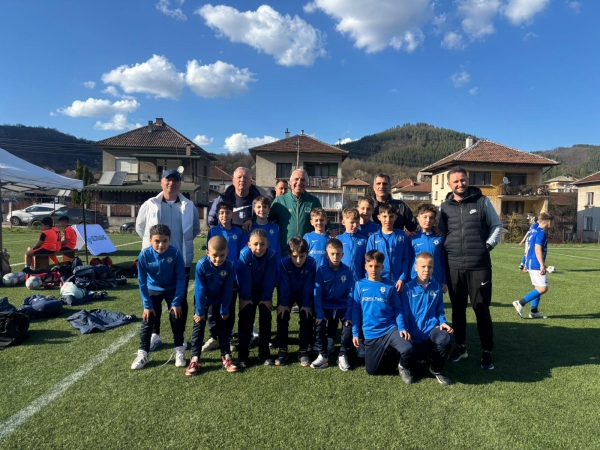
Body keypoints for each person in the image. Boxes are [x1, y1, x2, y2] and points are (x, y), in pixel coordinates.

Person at [438, 166, 502, 371]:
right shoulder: (444, 207)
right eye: (456, 181)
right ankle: (461, 347)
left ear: (468, 180)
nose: (460, 184)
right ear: (449, 184)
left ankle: (486, 351)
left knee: (481, 308)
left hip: (479, 265)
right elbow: (440, 233)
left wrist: (488, 246)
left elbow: (497, 226)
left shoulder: (482, 201)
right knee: (457, 310)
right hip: (454, 265)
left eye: (463, 180)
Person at [136, 169, 200, 353]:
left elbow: (195, 229)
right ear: (161, 182)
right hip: (156, 261)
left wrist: (179, 247)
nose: (171, 183)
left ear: (180, 183)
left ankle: (180, 337)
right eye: (168, 180)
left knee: (180, 301)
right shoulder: (150, 204)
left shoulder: (189, 205)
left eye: (175, 180)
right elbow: (140, 227)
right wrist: (155, 248)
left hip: (181, 261)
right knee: (154, 298)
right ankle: (155, 335)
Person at [352, 250, 414, 383]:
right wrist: (355, 333)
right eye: (370, 266)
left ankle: (403, 366)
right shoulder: (359, 285)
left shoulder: (390, 285)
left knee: (407, 348)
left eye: (377, 266)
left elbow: (397, 308)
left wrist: (402, 328)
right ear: (365, 266)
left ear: (382, 267)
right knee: (371, 371)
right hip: (371, 332)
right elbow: (356, 310)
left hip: (389, 329)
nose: (373, 269)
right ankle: (387, 352)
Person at [131, 224, 186, 370]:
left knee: (176, 316)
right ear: (150, 240)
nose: (161, 245)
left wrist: (176, 301)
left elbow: (181, 278)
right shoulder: (144, 254)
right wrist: (147, 305)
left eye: (165, 241)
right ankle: (143, 354)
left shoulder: (175, 253)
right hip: (153, 288)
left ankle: (179, 350)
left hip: (171, 288)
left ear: (169, 240)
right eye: (157, 241)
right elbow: (142, 281)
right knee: (148, 318)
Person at [186, 236, 238, 376]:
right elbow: (200, 290)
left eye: (222, 255)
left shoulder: (230, 266)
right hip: (204, 299)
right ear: (207, 253)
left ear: (227, 253)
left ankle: (226, 356)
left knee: (223, 326)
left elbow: (228, 289)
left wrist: (224, 309)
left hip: (220, 299)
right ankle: (195, 358)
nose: (218, 259)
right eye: (214, 255)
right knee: (199, 325)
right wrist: (200, 311)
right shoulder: (202, 265)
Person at [401, 252, 453, 385]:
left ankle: (436, 368)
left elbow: (440, 311)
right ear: (415, 267)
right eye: (423, 266)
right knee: (418, 371)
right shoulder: (408, 288)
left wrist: (443, 322)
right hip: (413, 333)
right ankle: (414, 361)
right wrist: (404, 329)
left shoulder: (436, 288)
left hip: (430, 330)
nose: (426, 270)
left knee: (445, 338)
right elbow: (404, 313)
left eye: (429, 267)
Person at [203, 201, 244, 353]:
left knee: (229, 307)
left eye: (227, 213)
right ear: (217, 215)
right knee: (212, 309)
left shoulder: (239, 232)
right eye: (221, 213)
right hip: (214, 277)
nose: (224, 215)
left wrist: (238, 276)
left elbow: (241, 255)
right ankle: (213, 336)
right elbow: (209, 255)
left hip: (231, 277)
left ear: (232, 215)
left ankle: (228, 336)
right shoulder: (213, 231)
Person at [236, 228, 278, 368]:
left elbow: (270, 277)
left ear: (268, 244)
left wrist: (266, 297)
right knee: (245, 320)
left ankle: (264, 353)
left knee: (266, 320)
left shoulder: (271, 255)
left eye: (262, 244)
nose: (259, 248)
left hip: (264, 291)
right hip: (247, 291)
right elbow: (244, 278)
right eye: (255, 244)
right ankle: (243, 354)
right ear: (249, 244)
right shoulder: (245, 254)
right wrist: (246, 297)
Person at [311, 239, 354, 371]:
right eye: (332, 254)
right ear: (326, 255)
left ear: (342, 255)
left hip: (342, 306)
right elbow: (317, 293)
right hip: (326, 306)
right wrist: (319, 313)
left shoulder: (347, 271)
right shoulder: (321, 271)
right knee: (319, 325)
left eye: (338, 254)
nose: (335, 257)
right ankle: (323, 355)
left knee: (348, 325)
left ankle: (342, 354)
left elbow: (351, 293)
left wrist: (348, 314)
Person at [275, 237, 316, 367]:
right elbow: (284, 284)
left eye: (302, 256)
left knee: (307, 317)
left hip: (304, 295)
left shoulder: (312, 263)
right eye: (295, 256)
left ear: (307, 254)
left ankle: (303, 351)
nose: (298, 260)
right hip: (288, 294)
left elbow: (309, 285)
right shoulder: (284, 263)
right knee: (282, 316)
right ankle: (282, 350)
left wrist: (307, 304)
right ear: (289, 254)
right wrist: (283, 303)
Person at [269, 169, 323, 254]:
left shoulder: (314, 201)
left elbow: (323, 220)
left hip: (306, 252)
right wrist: (251, 220)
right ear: (290, 182)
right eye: (296, 179)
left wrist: (330, 230)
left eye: (303, 180)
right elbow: (265, 217)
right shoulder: (280, 200)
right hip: (286, 250)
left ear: (307, 183)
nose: (299, 182)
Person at [513, 213, 553, 319]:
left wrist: (526, 263)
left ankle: (534, 311)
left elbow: (528, 248)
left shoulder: (533, 231)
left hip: (530, 262)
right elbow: (537, 249)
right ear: (548, 222)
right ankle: (520, 303)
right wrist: (542, 265)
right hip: (536, 263)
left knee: (538, 287)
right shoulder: (541, 233)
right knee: (543, 288)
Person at [366, 203, 410, 294]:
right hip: (379, 281)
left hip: (397, 282)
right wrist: (370, 281)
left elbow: (406, 259)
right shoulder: (373, 238)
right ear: (379, 217)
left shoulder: (402, 236)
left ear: (396, 217)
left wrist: (402, 278)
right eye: (385, 216)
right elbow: (368, 262)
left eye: (391, 216)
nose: (388, 220)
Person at [208, 167, 261, 232]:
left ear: (250, 182)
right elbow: (212, 219)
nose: (242, 180)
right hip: (228, 237)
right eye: (239, 177)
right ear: (233, 181)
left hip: (252, 237)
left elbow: (265, 219)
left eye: (245, 177)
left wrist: (252, 220)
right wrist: (219, 233)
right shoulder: (223, 199)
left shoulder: (259, 200)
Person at [409, 204, 447, 292]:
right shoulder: (412, 238)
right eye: (425, 217)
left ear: (435, 221)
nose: (428, 220)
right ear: (418, 219)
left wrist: (444, 281)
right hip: (415, 280)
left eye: (431, 218)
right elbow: (408, 261)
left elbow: (442, 262)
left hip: (435, 279)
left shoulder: (440, 238)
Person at [337, 207, 367, 283]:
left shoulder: (363, 240)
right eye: (352, 222)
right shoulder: (338, 239)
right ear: (343, 222)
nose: (355, 225)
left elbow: (367, 261)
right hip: (340, 279)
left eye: (357, 222)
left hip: (358, 279)